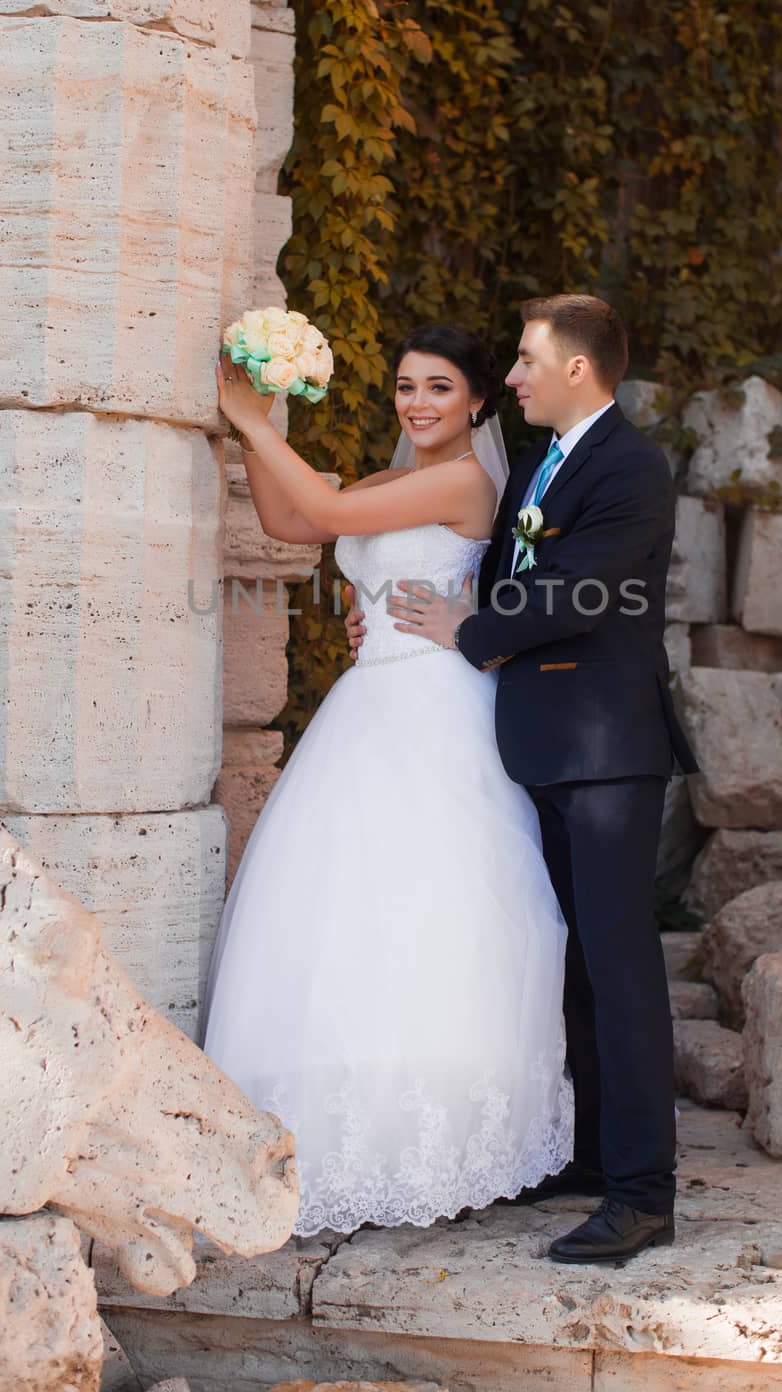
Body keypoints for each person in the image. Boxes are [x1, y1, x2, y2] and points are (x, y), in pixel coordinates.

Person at [203, 324, 574, 1238]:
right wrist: (258, 425)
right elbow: (291, 522)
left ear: (477, 402)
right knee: (335, 909)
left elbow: (324, 520)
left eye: (439, 388)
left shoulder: (464, 483)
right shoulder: (388, 479)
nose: (417, 403)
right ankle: (315, 1131)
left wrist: (253, 425)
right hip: (366, 705)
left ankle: (428, 1137)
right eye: (406, 386)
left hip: (434, 708)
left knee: (422, 910)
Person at [350, 294, 698, 1263]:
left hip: (605, 751)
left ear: (576, 369)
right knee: (573, 962)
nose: (511, 377)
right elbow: (500, 575)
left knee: (621, 970)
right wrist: (395, 621)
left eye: (525, 360)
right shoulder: (546, 463)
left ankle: (642, 1194)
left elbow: (577, 590)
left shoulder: (627, 465)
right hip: (538, 743)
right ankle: (589, 1153)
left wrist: (463, 632)